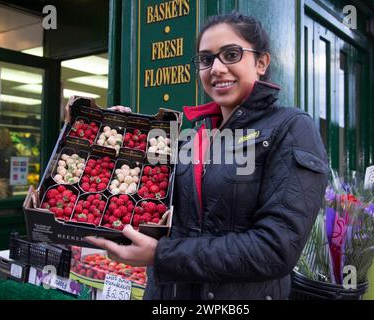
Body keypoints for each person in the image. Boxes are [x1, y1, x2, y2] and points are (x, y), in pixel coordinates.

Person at [85, 12, 329, 300]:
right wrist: (108, 134)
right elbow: (148, 206)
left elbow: (276, 249)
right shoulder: (198, 133)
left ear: (261, 62)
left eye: (231, 54)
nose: (216, 68)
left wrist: (162, 255)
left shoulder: (291, 127)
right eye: (206, 59)